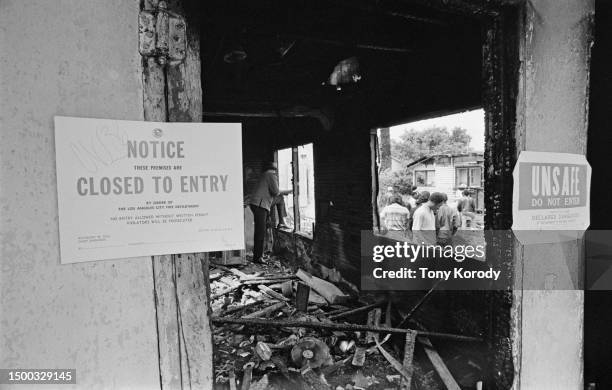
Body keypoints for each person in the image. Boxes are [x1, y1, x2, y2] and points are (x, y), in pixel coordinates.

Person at [248, 162, 280, 263]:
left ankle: (258, 255)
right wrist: (288, 191)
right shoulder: (271, 175)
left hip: (256, 203)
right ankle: (257, 257)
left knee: (259, 230)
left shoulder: (264, 175)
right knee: (260, 231)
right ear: (274, 169)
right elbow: (275, 191)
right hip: (260, 205)